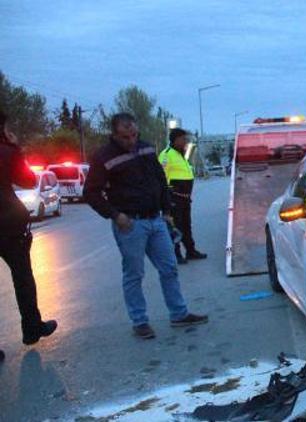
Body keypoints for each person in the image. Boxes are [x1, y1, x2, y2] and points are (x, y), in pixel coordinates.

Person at [83, 113, 207, 339]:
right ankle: (140, 322)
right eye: (125, 137)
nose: (131, 140)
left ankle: (178, 313)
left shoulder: (147, 149)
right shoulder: (104, 158)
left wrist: (167, 210)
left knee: (169, 267)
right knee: (134, 274)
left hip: (155, 220)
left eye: (134, 135)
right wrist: (114, 215)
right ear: (114, 134)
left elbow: (159, 179)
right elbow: (90, 193)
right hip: (130, 224)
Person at [0, 110, 58, 346]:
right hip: (8, 223)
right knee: (22, 276)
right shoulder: (7, 152)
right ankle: (32, 328)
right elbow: (28, 180)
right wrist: (17, 149)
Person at [158, 128, 207, 264]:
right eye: (183, 139)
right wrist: (166, 197)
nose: (186, 141)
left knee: (186, 225)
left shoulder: (181, 154)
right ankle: (176, 254)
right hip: (173, 197)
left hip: (184, 198)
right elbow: (161, 177)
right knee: (175, 227)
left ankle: (190, 251)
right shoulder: (166, 155)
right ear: (175, 140)